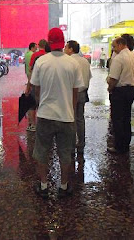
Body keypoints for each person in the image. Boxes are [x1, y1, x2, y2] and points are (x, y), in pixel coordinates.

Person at [31, 28, 84, 198]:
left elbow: (36, 88)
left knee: (42, 152)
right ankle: (63, 186)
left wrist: (42, 103)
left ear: (48, 42)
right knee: (65, 153)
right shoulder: (73, 63)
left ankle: (44, 186)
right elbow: (76, 92)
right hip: (66, 116)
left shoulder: (41, 61)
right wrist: (70, 107)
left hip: (45, 114)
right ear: (63, 43)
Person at [107, 37, 134, 154]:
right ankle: (126, 145)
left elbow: (113, 78)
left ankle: (119, 146)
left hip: (120, 91)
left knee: (117, 119)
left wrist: (110, 88)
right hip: (131, 90)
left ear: (121, 44)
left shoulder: (119, 58)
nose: (113, 49)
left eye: (114, 46)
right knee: (127, 118)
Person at [64, 40, 92, 151]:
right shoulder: (85, 61)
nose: (64, 49)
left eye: (66, 47)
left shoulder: (68, 61)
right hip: (83, 93)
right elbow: (88, 77)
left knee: (71, 119)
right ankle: (81, 143)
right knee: (80, 118)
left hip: (71, 94)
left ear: (71, 49)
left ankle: (71, 145)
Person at [24, 42, 37, 131]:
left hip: (29, 76)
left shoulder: (26, 54)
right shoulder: (33, 55)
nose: (36, 49)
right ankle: (33, 123)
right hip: (33, 77)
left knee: (30, 101)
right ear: (32, 47)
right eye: (35, 47)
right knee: (33, 102)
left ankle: (30, 122)